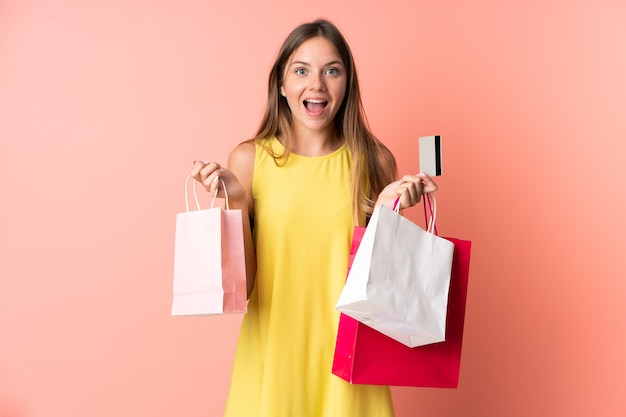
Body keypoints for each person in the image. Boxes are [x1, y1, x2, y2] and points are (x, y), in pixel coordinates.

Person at [190, 18, 438, 417]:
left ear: (347, 84)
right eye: (301, 70)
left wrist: (389, 214)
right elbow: (248, 286)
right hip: (273, 355)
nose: (316, 84)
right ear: (282, 86)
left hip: (348, 362)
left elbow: (381, 288)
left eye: (332, 71)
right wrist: (235, 200)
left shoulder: (374, 162)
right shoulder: (250, 159)